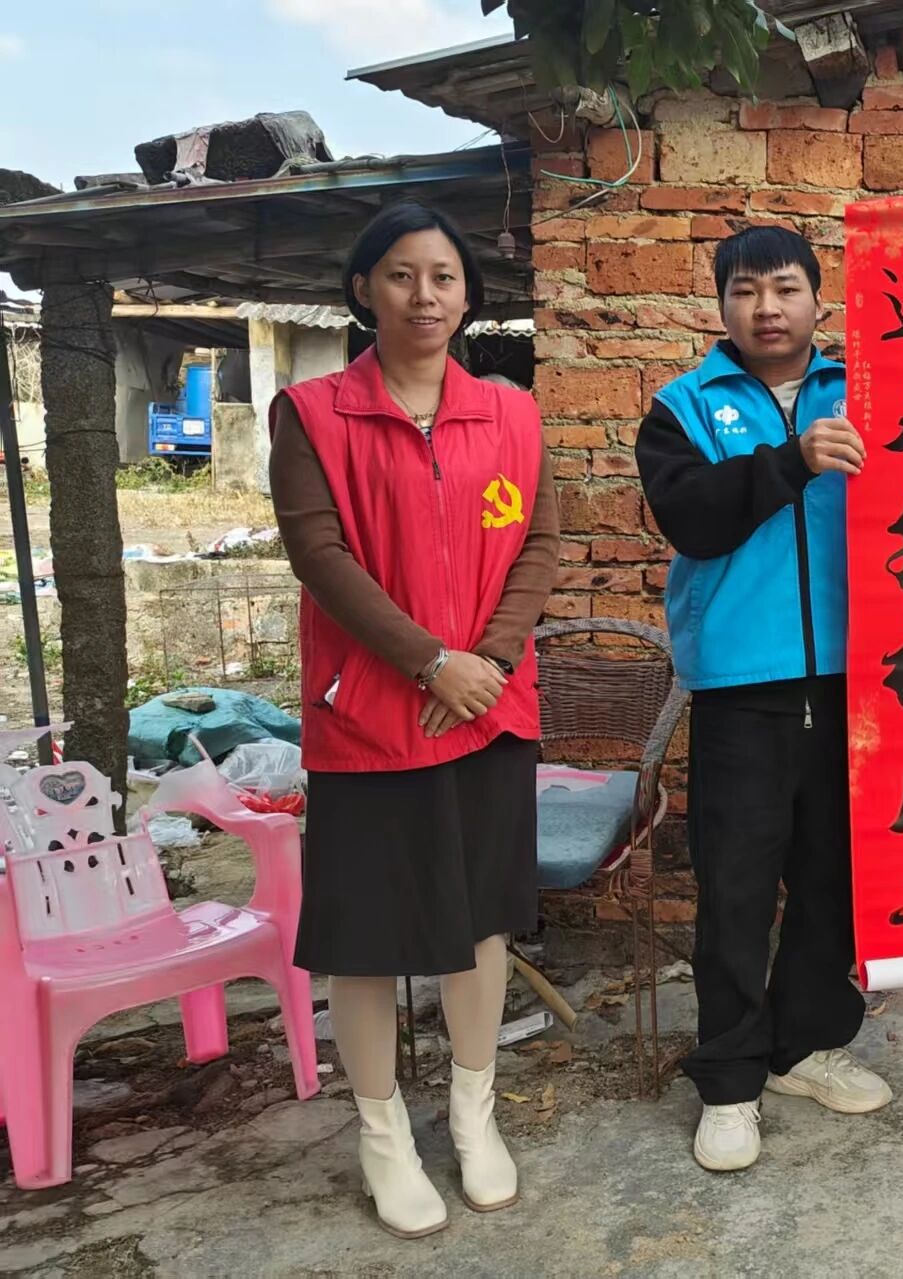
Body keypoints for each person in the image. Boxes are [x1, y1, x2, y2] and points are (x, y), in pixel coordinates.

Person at [635, 184, 903, 1173]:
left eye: (785, 288)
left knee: (837, 880)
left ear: (817, 298)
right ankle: (729, 1079)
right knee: (736, 888)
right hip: (741, 687)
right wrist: (789, 461)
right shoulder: (682, 408)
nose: (767, 308)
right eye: (745, 291)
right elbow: (691, 519)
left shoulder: (874, 386)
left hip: (862, 679)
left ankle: (803, 1045)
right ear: (721, 305)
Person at [271, 200, 559, 1239]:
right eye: (401, 275)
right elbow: (320, 556)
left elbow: (538, 545)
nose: (424, 295)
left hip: (487, 711)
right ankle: (383, 1133)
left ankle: (475, 1115)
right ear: (364, 290)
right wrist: (430, 661)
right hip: (368, 717)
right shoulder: (311, 413)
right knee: (367, 937)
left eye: (442, 276)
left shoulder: (512, 413)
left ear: (467, 294)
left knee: (479, 923)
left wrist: (486, 663)